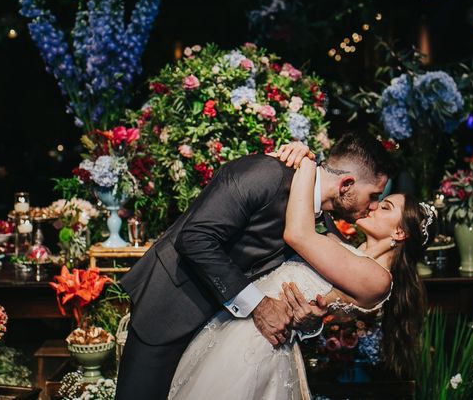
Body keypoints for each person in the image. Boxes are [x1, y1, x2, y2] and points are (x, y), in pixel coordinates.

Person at [116, 132, 395, 400]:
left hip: (221, 339)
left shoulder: (323, 224)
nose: (373, 205)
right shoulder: (266, 174)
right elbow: (196, 238)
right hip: (173, 310)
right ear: (346, 184)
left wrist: (309, 322)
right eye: (373, 195)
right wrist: (259, 305)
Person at [167, 157, 431, 399]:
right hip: (245, 325)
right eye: (375, 199)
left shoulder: (378, 279)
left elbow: (298, 233)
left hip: (261, 341)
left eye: (384, 206)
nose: (373, 206)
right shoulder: (346, 248)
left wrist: (307, 164)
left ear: (399, 233)